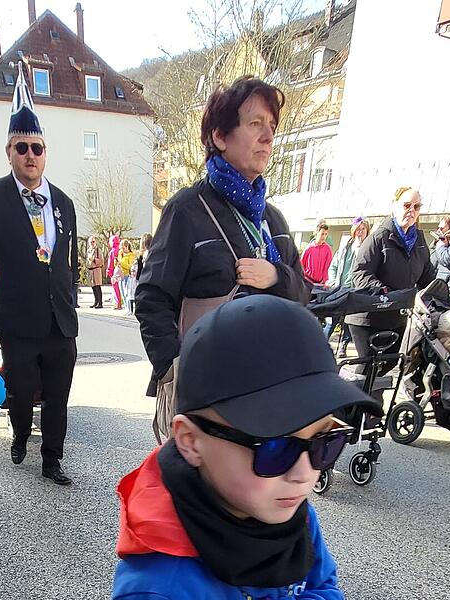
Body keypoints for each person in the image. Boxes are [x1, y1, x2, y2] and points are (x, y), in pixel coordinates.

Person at [112, 295, 380, 600]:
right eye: (274, 446)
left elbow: (323, 584)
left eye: (325, 441)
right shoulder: (162, 587)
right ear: (190, 440)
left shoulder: (288, 508)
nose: (305, 474)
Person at [135, 76, 310, 398]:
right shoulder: (187, 210)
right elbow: (151, 297)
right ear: (219, 136)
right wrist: (174, 369)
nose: (268, 136)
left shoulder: (273, 219)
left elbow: (303, 295)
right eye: (255, 123)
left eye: (271, 125)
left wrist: (275, 276)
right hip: (206, 391)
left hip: (269, 384)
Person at [0, 65, 79, 485]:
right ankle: (19, 435)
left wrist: (71, 306)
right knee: (19, 395)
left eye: (36, 148)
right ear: (9, 153)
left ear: (45, 152)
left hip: (60, 324)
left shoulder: (64, 203)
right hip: (15, 324)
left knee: (58, 399)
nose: (30, 155)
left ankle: (52, 460)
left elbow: (65, 263)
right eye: (21, 148)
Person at [345, 187, 435, 372]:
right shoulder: (380, 236)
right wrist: (383, 291)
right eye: (407, 205)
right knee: (367, 370)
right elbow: (360, 272)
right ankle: (353, 399)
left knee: (389, 365)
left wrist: (437, 294)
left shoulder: (419, 240)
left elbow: (427, 276)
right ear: (395, 206)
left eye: (417, 207)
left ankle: (371, 400)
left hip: (397, 316)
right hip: (368, 317)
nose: (411, 210)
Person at [325, 217, 370, 358]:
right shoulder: (345, 248)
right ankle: (321, 343)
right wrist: (332, 280)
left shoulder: (369, 248)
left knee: (349, 321)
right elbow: (334, 266)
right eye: (358, 229)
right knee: (332, 319)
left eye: (363, 229)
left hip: (356, 290)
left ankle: (343, 346)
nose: (360, 232)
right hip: (341, 288)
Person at [118, 239, 137, 315]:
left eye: (123, 248)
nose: (122, 249)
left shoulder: (131, 255)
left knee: (127, 293)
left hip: (127, 275)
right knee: (122, 292)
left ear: (127, 246)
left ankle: (129, 308)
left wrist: (121, 263)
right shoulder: (121, 254)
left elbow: (130, 266)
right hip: (121, 274)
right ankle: (126, 307)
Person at [86, 235, 104, 309]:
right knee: (93, 287)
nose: (92, 243)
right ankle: (96, 301)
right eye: (91, 242)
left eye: (93, 241)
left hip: (96, 269)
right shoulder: (88, 250)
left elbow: (101, 261)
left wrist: (93, 259)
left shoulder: (98, 250)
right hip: (91, 270)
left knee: (97, 287)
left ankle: (100, 303)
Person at [107, 234, 122, 310]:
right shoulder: (120, 249)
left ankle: (118, 303)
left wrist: (109, 271)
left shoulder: (112, 252)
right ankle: (121, 302)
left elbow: (110, 263)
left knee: (116, 288)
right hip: (122, 271)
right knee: (121, 288)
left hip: (114, 272)